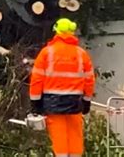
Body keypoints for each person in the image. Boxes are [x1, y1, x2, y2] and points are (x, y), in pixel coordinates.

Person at [29, 18, 95, 157]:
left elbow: (36, 79)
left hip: (53, 104)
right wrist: (87, 101)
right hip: (75, 103)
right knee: (75, 139)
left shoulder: (47, 53)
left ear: (56, 32)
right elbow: (89, 80)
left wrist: (35, 103)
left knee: (59, 140)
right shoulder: (81, 54)